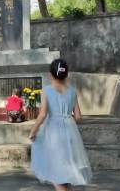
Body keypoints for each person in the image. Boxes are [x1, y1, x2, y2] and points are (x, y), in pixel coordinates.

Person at [29, 59, 92, 190]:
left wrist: (33, 131)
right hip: (70, 131)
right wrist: (67, 121)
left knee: (56, 173)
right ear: (66, 74)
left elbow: (43, 114)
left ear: (50, 74)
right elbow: (79, 116)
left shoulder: (46, 90)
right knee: (67, 171)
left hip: (53, 133)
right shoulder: (73, 91)